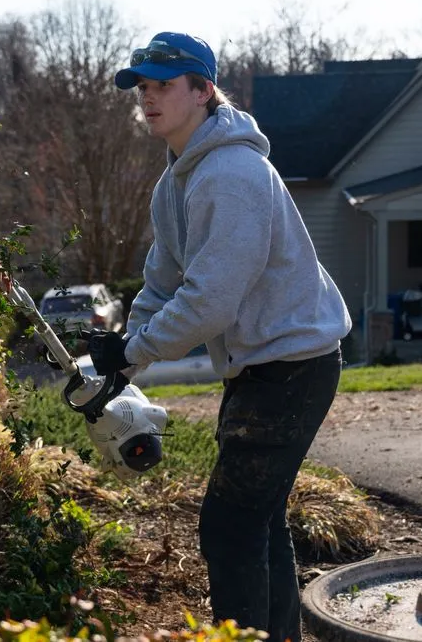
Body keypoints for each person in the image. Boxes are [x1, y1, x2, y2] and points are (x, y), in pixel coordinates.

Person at [86, 32, 352, 642]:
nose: (149, 99)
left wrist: (137, 350)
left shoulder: (232, 174)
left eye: (164, 85)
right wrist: (124, 351)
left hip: (293, 366)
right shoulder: (174, 183)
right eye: (143, 87)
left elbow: (210, 299)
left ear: (204, 91)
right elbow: (164, 281)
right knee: (257, 522)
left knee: (229, 526)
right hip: (263, 366)